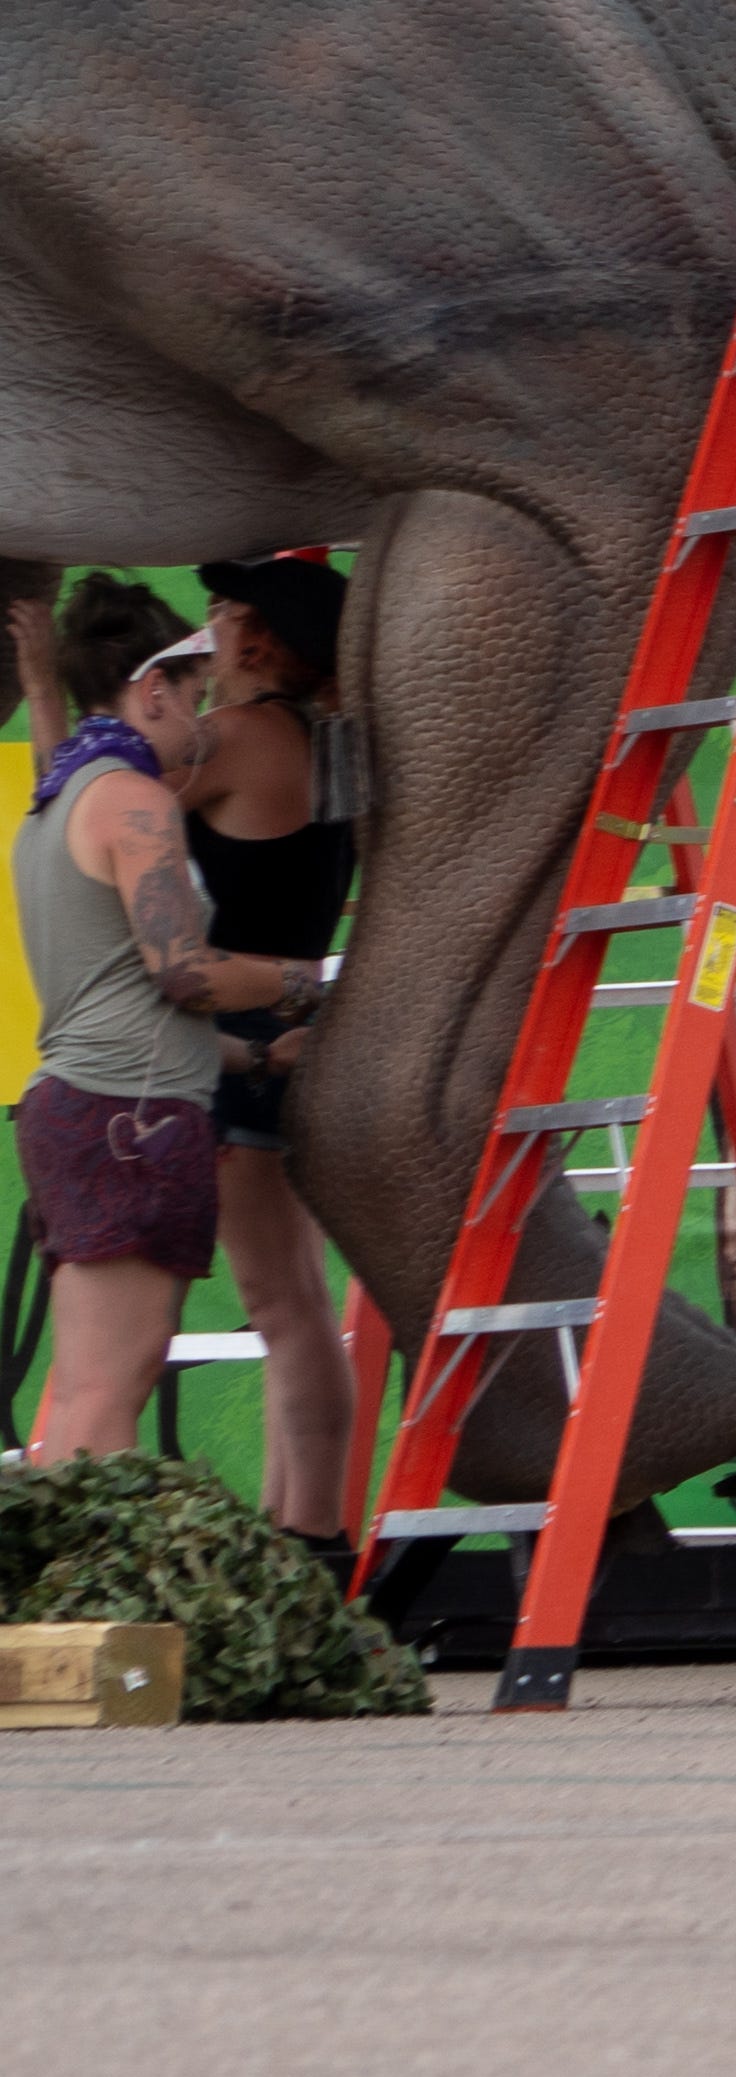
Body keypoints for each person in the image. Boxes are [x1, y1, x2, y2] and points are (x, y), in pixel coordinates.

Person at [13, 577, 330, 1472]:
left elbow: (131, 997)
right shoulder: (135, 802)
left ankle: (51, 1599)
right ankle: (76, 1606)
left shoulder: (57, 803)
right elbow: (184, 973)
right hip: (132, 1122)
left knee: (81, 1385)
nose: (202, 719)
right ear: (153, 689)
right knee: (114, 1385)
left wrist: (260, 1056)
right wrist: (308, 982)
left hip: (81, 1107)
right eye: (193, 696)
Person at [169, 555, 360, 1532]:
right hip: (300, 1024)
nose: (211, 626)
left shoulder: (239, 738)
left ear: (259, 642)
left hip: (245, 1034)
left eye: (227, 613)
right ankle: (300, 1529)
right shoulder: (329, 744)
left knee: (281, 1306)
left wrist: (120, 682)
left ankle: (313, 1533)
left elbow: (99, 793)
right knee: (295, 1302)